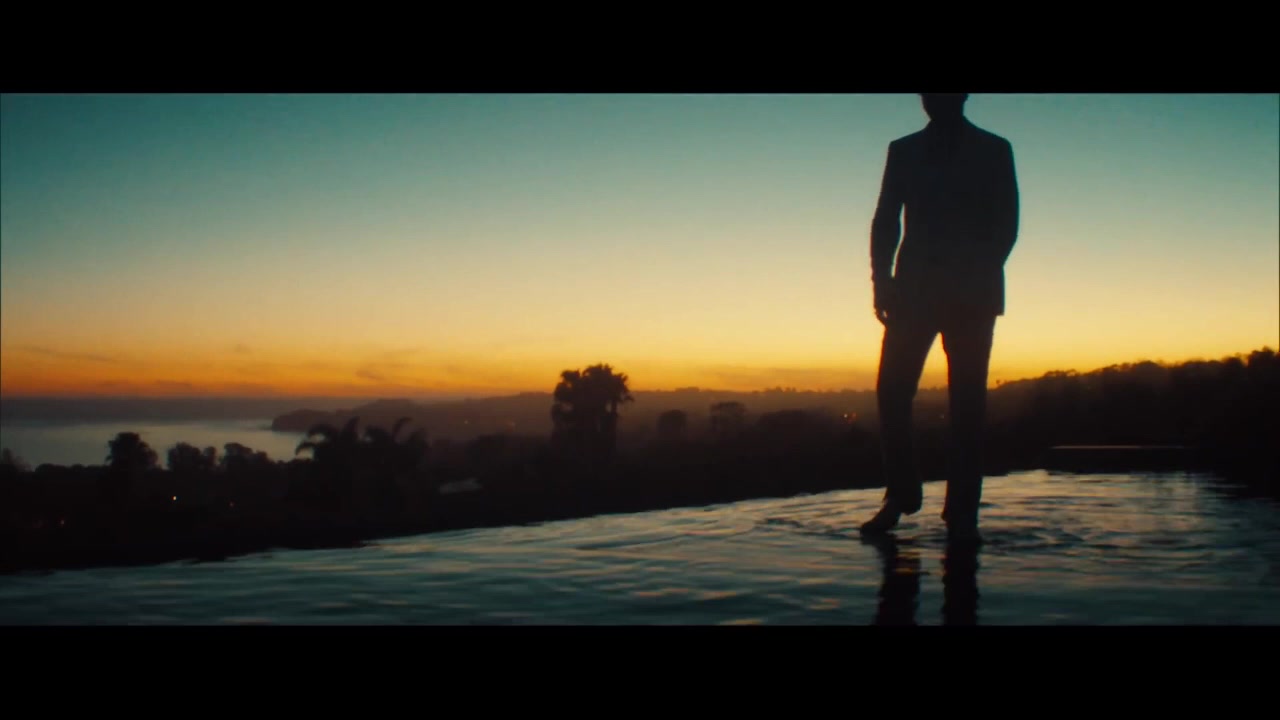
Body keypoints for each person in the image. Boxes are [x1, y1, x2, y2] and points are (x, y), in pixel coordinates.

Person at [860, 93, 1020, 543]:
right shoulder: (903, 150)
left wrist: (974, 273)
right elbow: (886, 218)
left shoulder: (994, 149)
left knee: (967, 403)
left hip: (972, 295)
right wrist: (881, 280)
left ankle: (962, 512)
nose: (933, 98)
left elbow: (1006, 222)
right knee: (892, 390)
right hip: (913, 292)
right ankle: (901, 493)